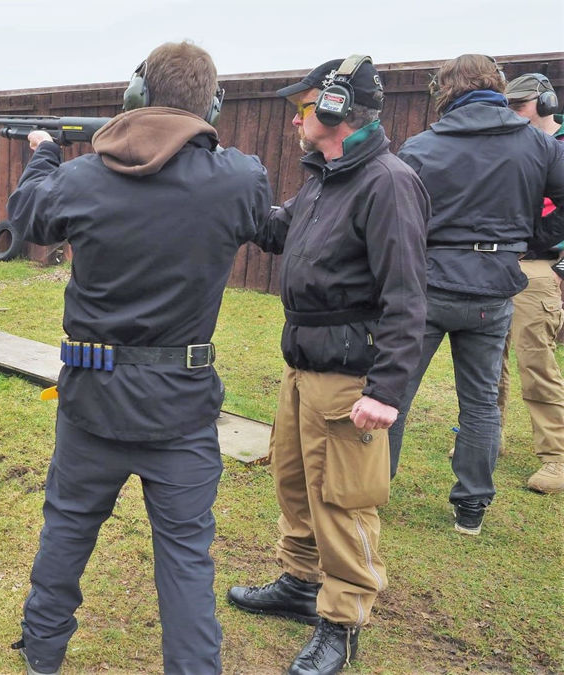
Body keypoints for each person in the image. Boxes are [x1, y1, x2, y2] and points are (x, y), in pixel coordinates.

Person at [4, 40, 272, 674]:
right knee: (186, 561)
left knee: (67, 533)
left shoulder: (81, 178)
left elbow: (28, 218)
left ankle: (42, 652)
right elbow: (261, 217)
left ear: (135, 94)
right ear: (211, 104)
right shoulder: (240, 179)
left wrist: (43, 154)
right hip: (182, 408)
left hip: (92, 401)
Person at [225, 56, 430, 675]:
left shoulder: (387, 183)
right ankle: (299, 582)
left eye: (304, 107)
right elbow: (276, 230)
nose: (296, 120)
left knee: (342, 501)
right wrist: (232, 186)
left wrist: (386, 390)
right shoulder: (324, 176)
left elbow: (406, 296)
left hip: (349, 378)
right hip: (302, 365)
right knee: (294, 483)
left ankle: (342, 622)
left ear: (338, 107)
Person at [388, 55, 564, 535]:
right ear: (497, 87)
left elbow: (394, 217)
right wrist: (535, 238)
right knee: (482, 402)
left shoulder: (421, 145)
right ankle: (471, 510)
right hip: (493, 288)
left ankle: (373, 487)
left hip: (429, 285)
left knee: (394, 393)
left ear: (445, 90)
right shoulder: (537, 142)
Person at [497, 72, 564, 494]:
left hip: (539, 265)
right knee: (489, 359)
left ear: (544, 104)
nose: (511, 115)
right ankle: (487, 435)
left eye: (517, 106)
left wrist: (549, 257)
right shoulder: (513, 147)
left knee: (536, 363)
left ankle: (557, 456)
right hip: (500, 264)